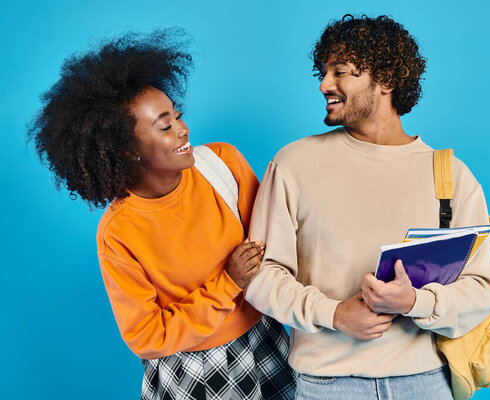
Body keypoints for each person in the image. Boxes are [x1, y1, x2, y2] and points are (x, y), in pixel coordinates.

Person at [245, 15, 490, 399]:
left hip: (426, 383)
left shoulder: (450, 175)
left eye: (341, 72)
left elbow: (483, 290)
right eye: (324, 72)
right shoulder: (294, 164)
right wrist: (333, 314)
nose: (324, 85)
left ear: (387, 79)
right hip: (327, 386)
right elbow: (261, 276)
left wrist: (416, 301)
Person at [28, 29, 295, 400]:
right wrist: (227, 283)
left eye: (177, 115)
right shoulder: (119, 232)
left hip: (266, 339)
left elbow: (275, 249)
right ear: (126, 150)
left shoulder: (222, 163)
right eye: (165, 125)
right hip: (195, 370)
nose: (183, 129)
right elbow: (146, 336)